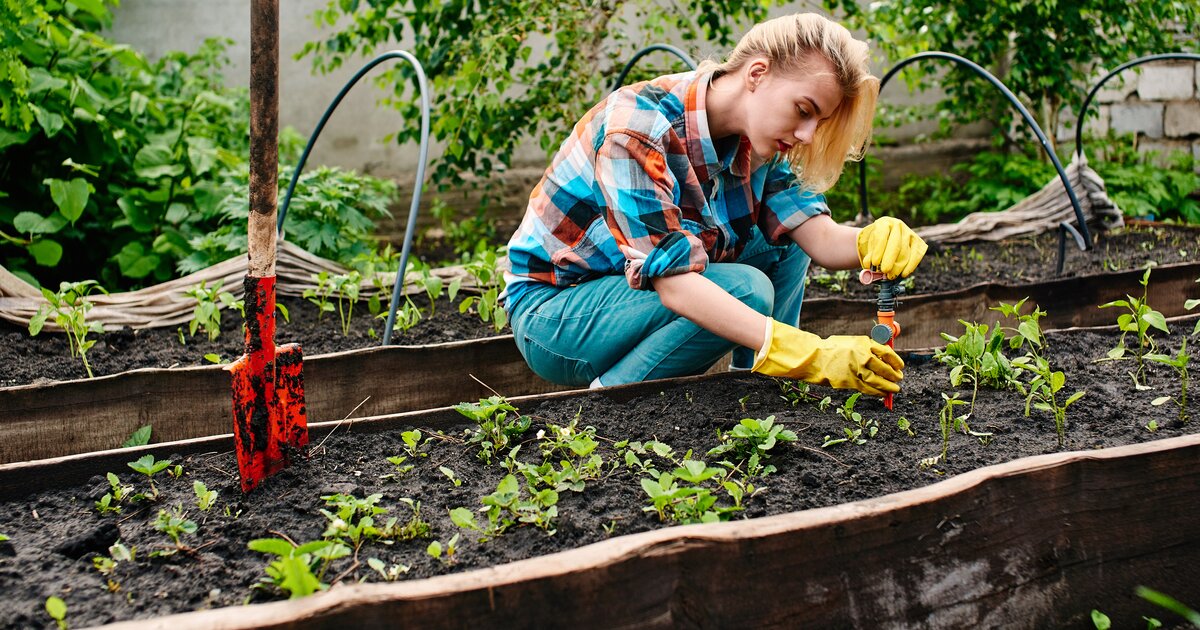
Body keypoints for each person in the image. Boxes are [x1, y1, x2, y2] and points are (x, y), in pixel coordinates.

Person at [502, 12, 927, 395]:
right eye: (804, 111)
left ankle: (761, 388)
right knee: (747, 289)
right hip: (555, 312)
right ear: (757, 74)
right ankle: (613, 396)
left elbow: (816, 236)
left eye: (819, 122)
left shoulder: (762, 139)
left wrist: (871, 240)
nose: (808, 135)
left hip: (625, 291)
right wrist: (810, 353)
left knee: (784, 242)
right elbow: (675, 285)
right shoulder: (636, 130)